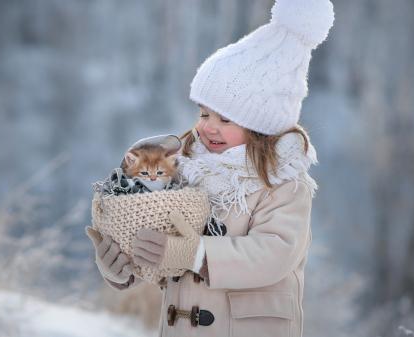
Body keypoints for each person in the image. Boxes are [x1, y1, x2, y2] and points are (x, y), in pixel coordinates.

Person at [87, 0, 334, 336]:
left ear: (260, 125)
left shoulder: (284, 182)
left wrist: (196, 252)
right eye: (204, 114)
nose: (209, 127)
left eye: (225, 118)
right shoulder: (188, 170)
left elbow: (275, 253)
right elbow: (159, 245)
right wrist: (123, 266)